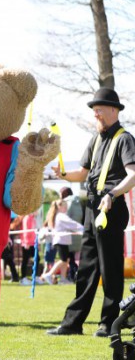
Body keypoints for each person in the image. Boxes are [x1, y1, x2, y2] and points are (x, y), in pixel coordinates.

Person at [47, 87, 135, 337]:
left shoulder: (125, 139)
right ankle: (72, 323)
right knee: (86, 268)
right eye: (94, 110)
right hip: (92, 207)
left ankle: (108, 323)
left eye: (99, 109)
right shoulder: (95, 140)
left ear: (114, 110)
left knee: (110, 268)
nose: (95, 114)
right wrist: (64, 175)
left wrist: (112, 195)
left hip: (111, 206)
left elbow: (133, 175)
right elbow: (83, 174)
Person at [41, 199, 84, 284]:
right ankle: (49, 274)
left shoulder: (58, 215)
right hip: (61, 240)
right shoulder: (61, 216)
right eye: (65, 206)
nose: (66, 208)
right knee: (63, 260)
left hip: (62, 240)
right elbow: (72, 224)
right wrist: (83, 228)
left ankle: (63, 279)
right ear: (60, 207)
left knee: (66, 259)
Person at [60, 187, 84, 281]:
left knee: (69, 258)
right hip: (78, 234)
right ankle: (73, 275)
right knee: (74, 258)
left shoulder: (67, 202)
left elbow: (66, 218)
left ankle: (73, 275)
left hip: (68, 236)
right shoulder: (78, 203)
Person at [19, 212, 39, 282]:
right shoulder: (27, 218)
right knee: (25, 260)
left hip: (32, 243)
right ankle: (23, 277)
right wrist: (26, 242)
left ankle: (35, 276)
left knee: (37, 259)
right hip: (27, 244)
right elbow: (26, 231)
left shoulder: (33, 218)